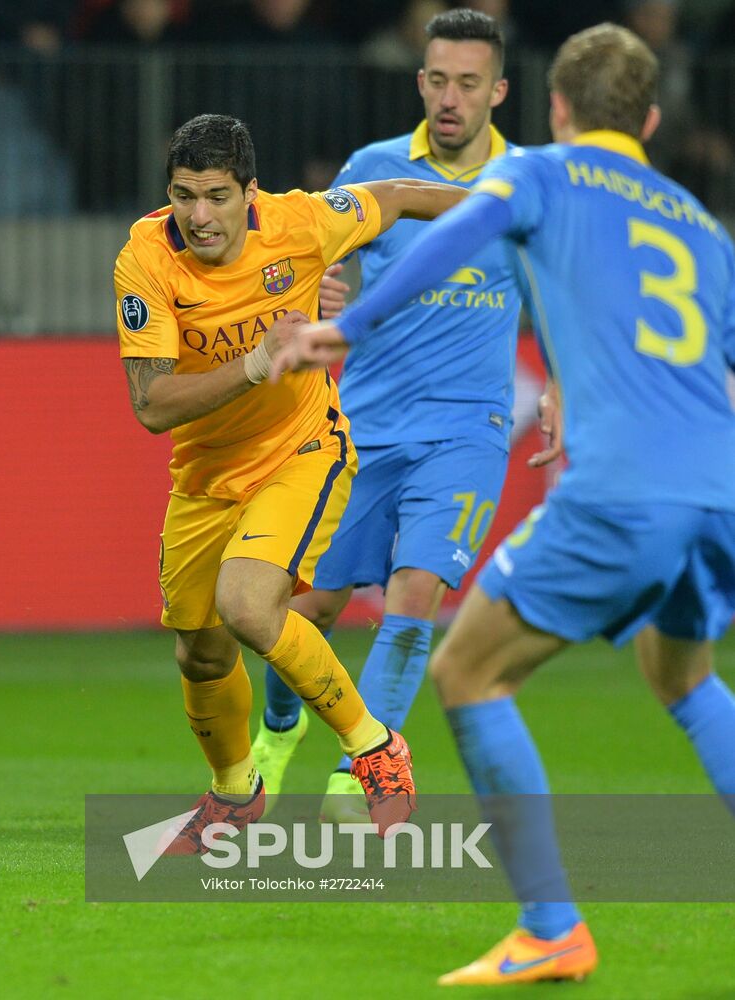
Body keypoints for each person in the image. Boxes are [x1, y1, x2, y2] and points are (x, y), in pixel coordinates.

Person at [270, 23, 735, 985]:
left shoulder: (538, 176)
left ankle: (552, 926)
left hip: (620, 489)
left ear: (554, 110)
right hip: (718, 488)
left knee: (471, 670)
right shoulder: (699, 221)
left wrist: (340, 329)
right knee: (684, 676)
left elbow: (446, 243)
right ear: (648, 119)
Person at [114, 113, 467, 849]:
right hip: (205, 473)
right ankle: (236, 795)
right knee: (199, 650)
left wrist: (510, 209)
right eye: (183, 195)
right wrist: (253, 361)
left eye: (216, 196)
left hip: (301, 449)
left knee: (249, 605)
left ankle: (375, 747)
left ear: (251, 192)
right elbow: (150, 406)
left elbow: (398, 196)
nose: (199, 215)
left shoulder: (301, 223)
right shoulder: (145, 259)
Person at [252, 8, 558, 824]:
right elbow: (312, 261)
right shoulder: (375, 168)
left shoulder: (527, 182)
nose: (450, 97)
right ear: (419, 80)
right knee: (299, 613)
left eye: (468, 83)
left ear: (498, 90)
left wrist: (558, 382)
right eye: (438, 80)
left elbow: (549, 294)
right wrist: (319, 292)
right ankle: (276, 735)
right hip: (365, 426)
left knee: (414, 591)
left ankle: (363, 771)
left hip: (467, 427)